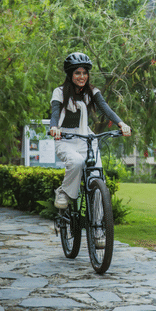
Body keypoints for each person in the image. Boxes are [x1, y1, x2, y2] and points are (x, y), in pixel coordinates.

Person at [49, 52, 131, 217]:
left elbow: (105, 108)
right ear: (70, 74)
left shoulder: (92, 92)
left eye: (85, 72)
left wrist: (121, 123)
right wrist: (54, 127)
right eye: (77, 73)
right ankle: (64, 192)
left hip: (86, 138)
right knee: (77, 161)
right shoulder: (59, 92)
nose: (82, 76)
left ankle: (99, 228)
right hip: (65, 138)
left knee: (97, 178)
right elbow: (55, 113)